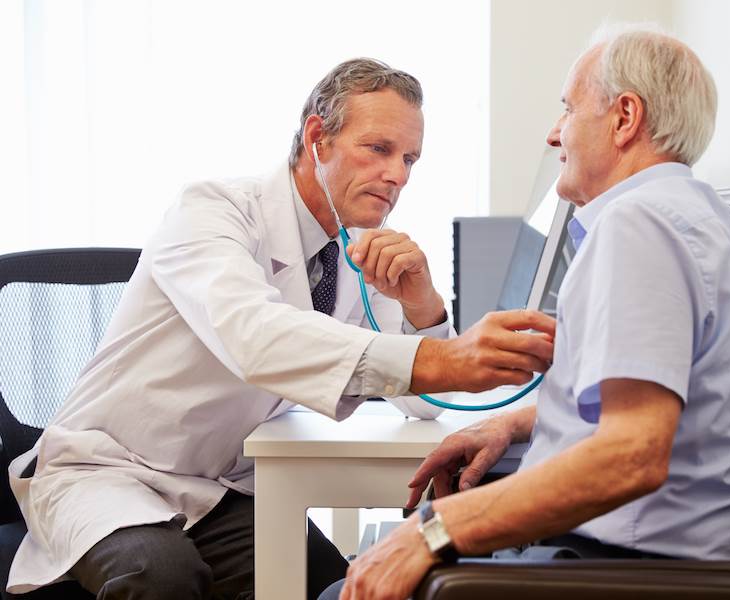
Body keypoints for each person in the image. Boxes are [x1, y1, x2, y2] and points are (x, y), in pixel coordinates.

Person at [5, 58, 555, 599]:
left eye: (410, 158)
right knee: (160, 577)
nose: (398, 175)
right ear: (318, 138)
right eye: (379, 149)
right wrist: (451, 358)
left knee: (335, 587)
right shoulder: (211, 211)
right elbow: (255, 335)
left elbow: (423, 405)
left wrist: (424, 307)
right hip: (108, 474)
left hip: (216, 491)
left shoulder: (357, 251)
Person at [327, 27, 730, 600]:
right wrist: (513, 421)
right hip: (649, 552)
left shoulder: (641, 228)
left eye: (568, 108)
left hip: (621, 566)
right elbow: (639, 407)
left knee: (348, 586)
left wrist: (430, 535)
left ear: (624, 117)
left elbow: (632, 456)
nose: (554, 132)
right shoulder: (690, 212)